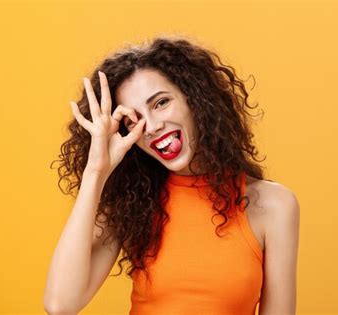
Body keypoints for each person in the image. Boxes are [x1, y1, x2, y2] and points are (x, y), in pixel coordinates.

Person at [43, 35, 300, 315]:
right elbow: (60, 305)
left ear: (195, 100)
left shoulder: (273, 205)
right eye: (134, 120)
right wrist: (97, 171)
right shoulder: (133, 204)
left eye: (161, 103)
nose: (151, 126)